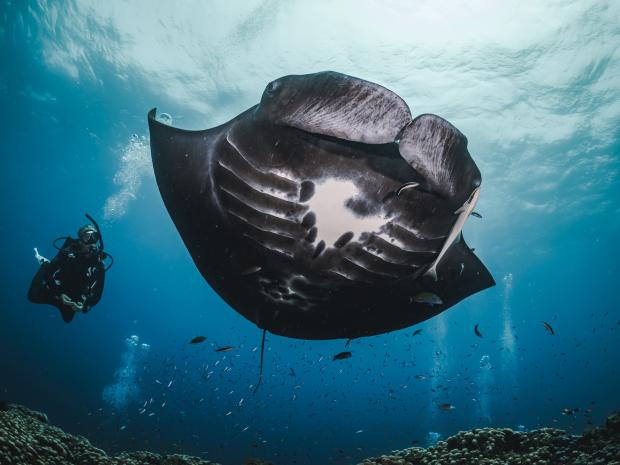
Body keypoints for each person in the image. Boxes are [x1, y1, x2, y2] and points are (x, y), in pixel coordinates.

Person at [28, 214, 112, 322]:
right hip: (58, 289)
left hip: (73, 296)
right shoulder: (68, 252)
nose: (91, 240)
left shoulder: (98, 264)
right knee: (32, 296)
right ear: (81, 240)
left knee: (68, 319)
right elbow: (48, 274)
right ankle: (45, 265)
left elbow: (98, 293)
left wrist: (84, 305)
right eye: (87, 237)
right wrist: (59, 293)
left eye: (94, 237)